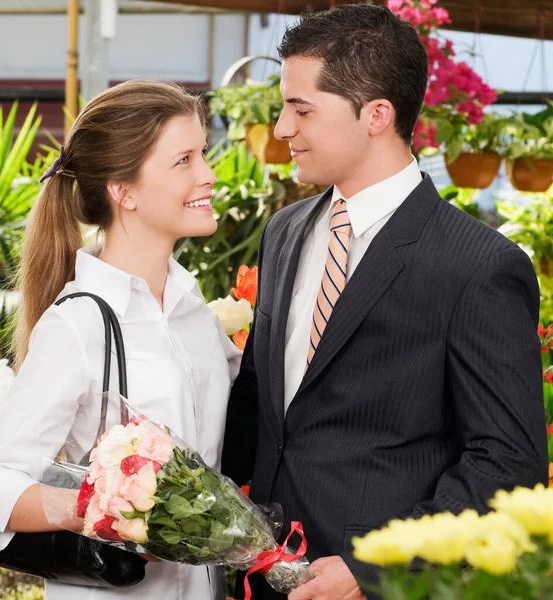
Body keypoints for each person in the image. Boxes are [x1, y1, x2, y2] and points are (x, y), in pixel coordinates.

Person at [221, 5, 548, 600]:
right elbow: (256, 408)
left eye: (301, 109)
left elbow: (507, 463)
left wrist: (372, 570)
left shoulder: (479, 266)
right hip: (258, 575)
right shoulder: (285, 231)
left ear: (376, 114)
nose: (281, 129)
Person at [0, 79, 240, 600]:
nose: (208, 175)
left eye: (203, 153)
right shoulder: (78, 325)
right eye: (184, 161)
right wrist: (109, 506)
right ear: (124, 190)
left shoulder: (194, 311)